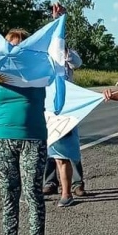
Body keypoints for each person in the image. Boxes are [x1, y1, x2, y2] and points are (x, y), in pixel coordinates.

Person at [0, 28, 49, 235]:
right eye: (11, 46)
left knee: (32, 191)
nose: (15, 50)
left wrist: (56, 21)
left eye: (20, 46)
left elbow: (57, 51)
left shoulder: (39, 71)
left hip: (33, 138)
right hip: (3, 138)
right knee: (8, 191)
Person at [43, 46, 86, 200]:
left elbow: (77, 63)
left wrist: (64, 49)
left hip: (68, 105)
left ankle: (77, 183)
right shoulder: (44, 55)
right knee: (50, 142)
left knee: (70, 145)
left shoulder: (68, 54)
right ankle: (50, 182)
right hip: (49, 104)